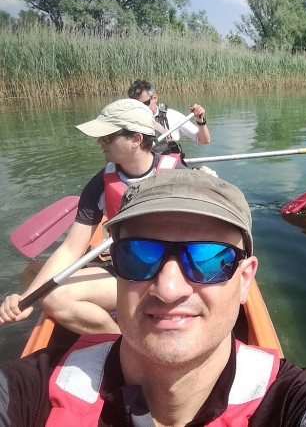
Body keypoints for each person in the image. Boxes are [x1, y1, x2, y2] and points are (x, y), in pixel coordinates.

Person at [0, 170, 306, 426]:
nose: (169, 289)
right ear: (117, 267)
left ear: (244, 280)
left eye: (209, 259)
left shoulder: (297, 407)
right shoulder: (30, 390)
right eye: (138, 254)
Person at [0, 99, 191, 335]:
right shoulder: (99, 186)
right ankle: (123, 342)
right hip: (126, 270)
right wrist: (27, 299)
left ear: (136, 139)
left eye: (108, 136)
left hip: (173, 271)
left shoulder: (181, 179)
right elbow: (71, 249)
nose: (99, 141)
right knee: (52, 298)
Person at [127, 79, 210, 158]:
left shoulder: (173, 116)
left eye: (145, 103)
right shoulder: (127, 121)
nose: (142, 108)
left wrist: (200, 121)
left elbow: (203, 140)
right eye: (136, 105)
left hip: (171, 169)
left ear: (155, 97)